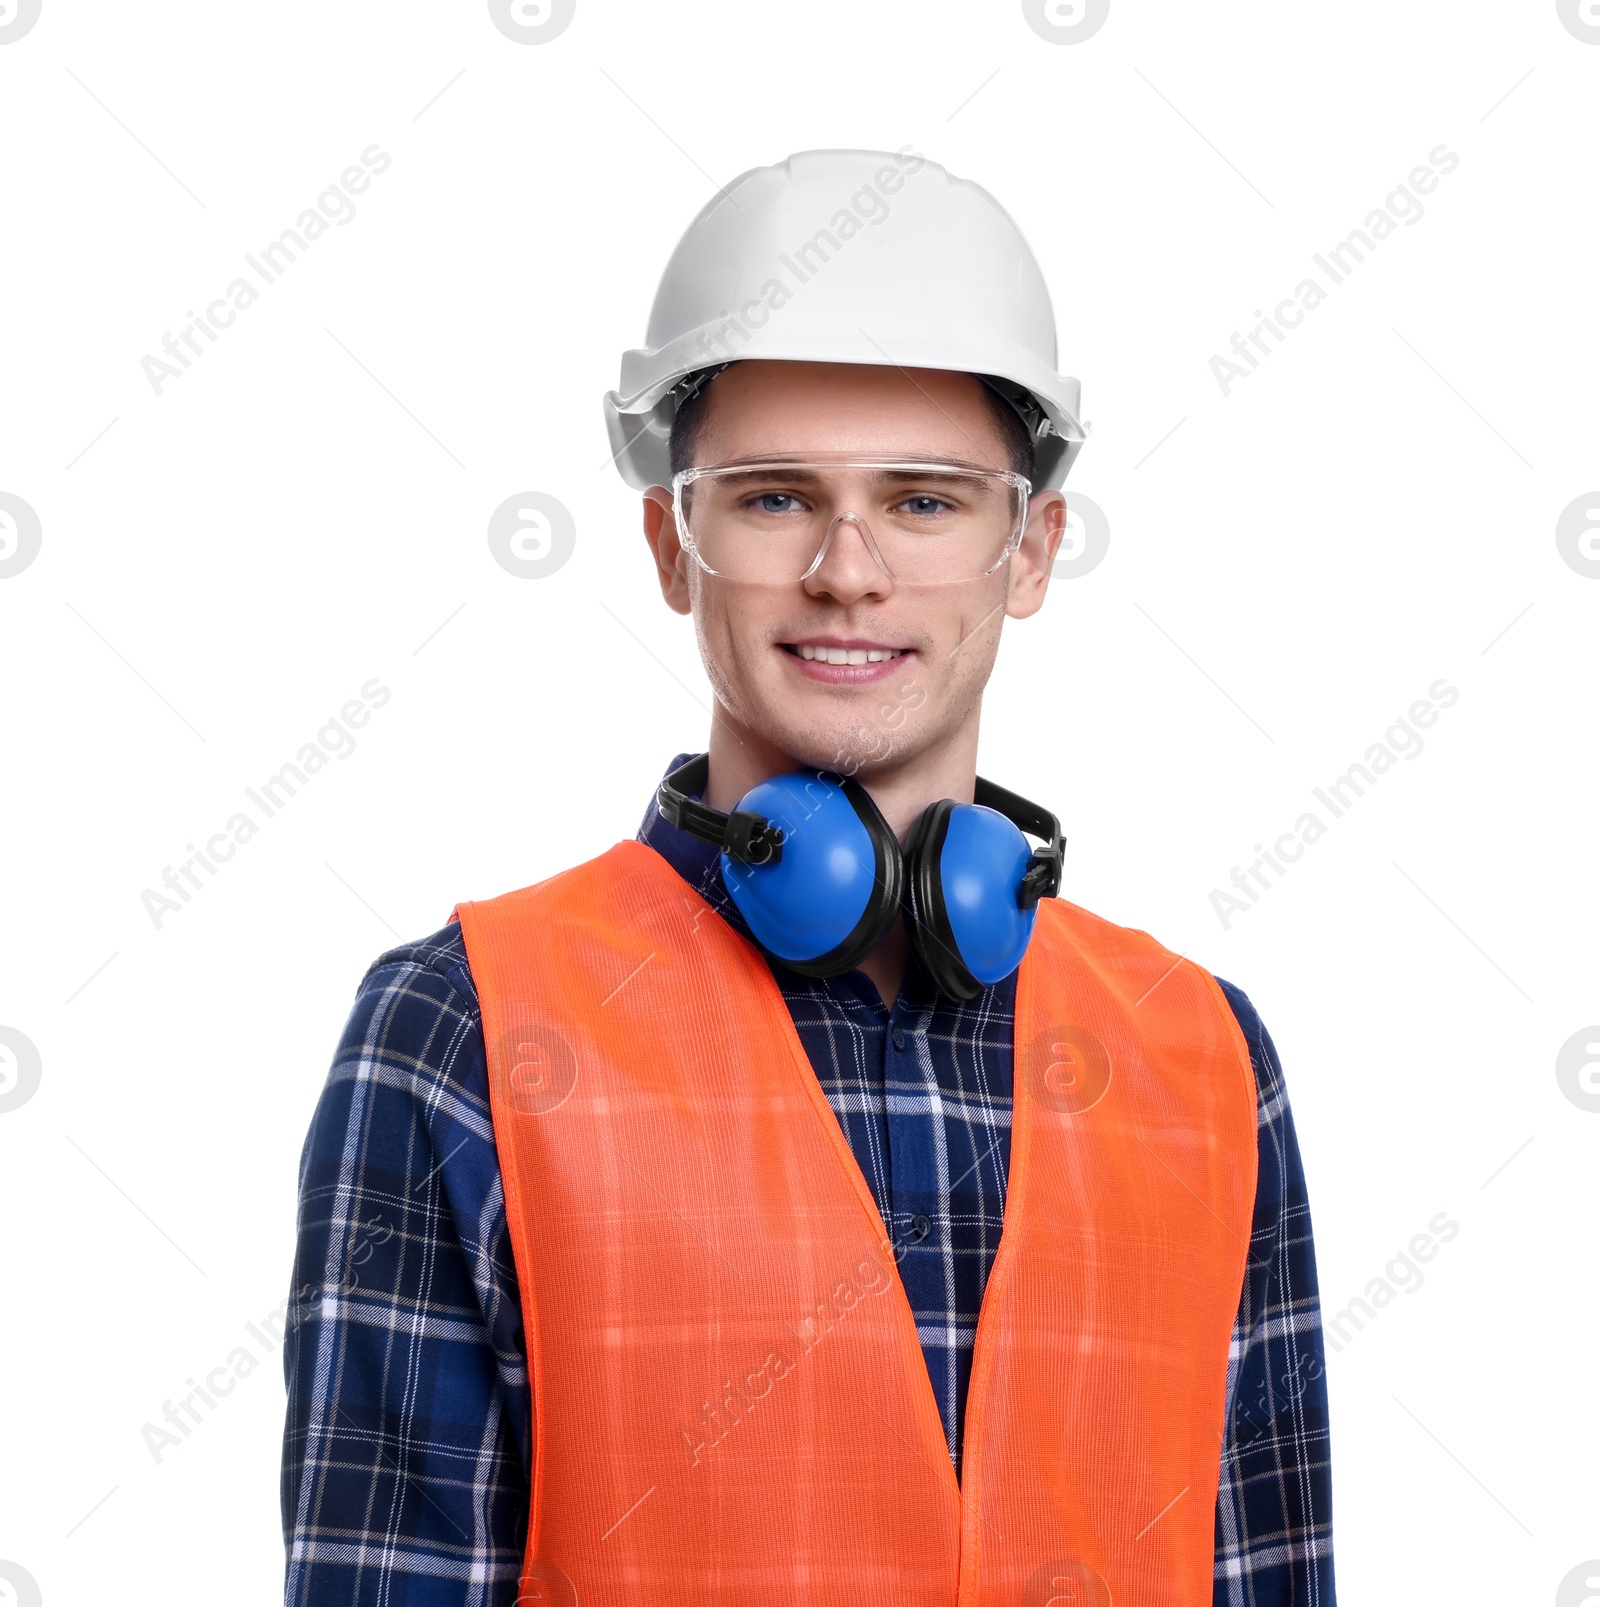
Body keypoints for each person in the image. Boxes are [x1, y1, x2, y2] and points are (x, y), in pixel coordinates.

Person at [281, 149, 1335, 1606]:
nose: (849, 570)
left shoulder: (1205, 1062)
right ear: (673, 543)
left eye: (925, 501)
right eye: (776, 500)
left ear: (1029, 551)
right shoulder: (463, 1033)